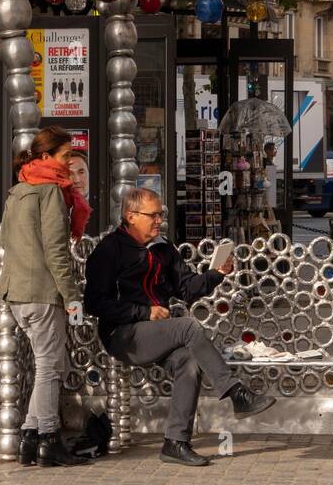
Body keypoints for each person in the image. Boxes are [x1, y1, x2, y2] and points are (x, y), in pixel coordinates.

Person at [84, 187, 276, 466]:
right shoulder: (109, 249)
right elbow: (94, 303)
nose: (159, 220)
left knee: (188, 361)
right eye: (153, 215)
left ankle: (176, 442)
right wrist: (143, 312)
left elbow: (186, 289)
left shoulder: (163, 248)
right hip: (121, 333)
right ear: (131, 216)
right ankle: (236, 393)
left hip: (154, 332)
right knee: (187, 327)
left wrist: (215, 274)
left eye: (160, 214)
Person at [0, 126, 81, 467]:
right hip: (42, 292)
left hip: (16, 292)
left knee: (47, 365)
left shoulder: (17, 190)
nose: (70, 162)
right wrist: (71, 296)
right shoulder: (50, 192)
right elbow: (57, 251)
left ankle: (30, 438)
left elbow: (6, 242)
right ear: (46, 157)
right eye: (65, 156)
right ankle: (48, 439)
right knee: (49, 368)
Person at [66, 149, 93, 240]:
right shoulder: (58, 209)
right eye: (70, 174)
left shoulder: (103, 209)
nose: (77, 180)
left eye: (81, 172)